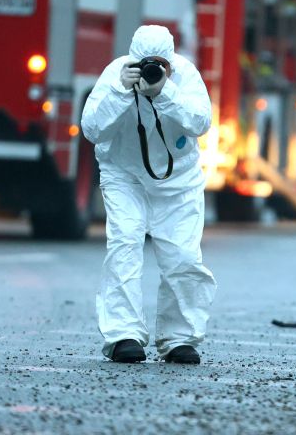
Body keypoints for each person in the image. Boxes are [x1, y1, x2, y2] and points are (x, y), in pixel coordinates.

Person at [81, 25, 216, 365]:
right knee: (125, 246)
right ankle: (123, 335)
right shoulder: (116, 75)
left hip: (179, 183)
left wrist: (164, 92)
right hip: (125, 177)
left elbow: (200, 122)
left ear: (171, 63)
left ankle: (179, 338)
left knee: (183, 257)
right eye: (147, 64)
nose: (154, 71)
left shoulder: (185, 77)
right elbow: (92, 129)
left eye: (161, 65)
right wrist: (120, 92)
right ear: (133, 59)